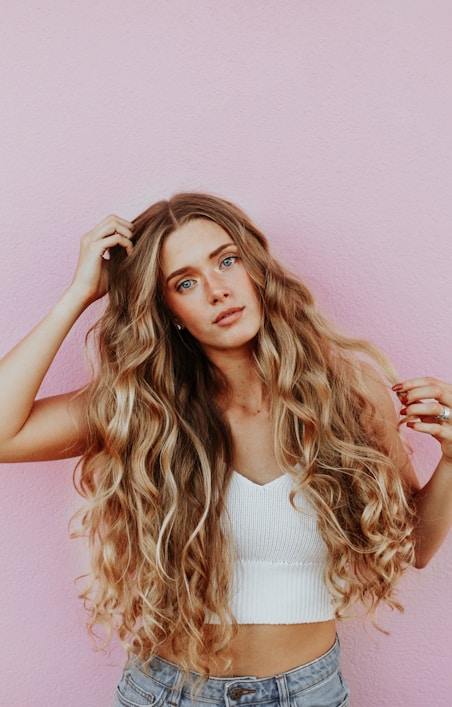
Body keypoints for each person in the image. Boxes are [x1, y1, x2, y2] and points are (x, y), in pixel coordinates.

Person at [0, 193, 451, 707]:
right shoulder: (143, 410)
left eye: (227, 260)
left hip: (307, 694)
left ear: (256, 270)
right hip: (168, 693)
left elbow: (412, 545)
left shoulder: (346, 395)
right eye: (185, 282)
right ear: (167, 310)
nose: (217, 291)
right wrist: (80, 294)